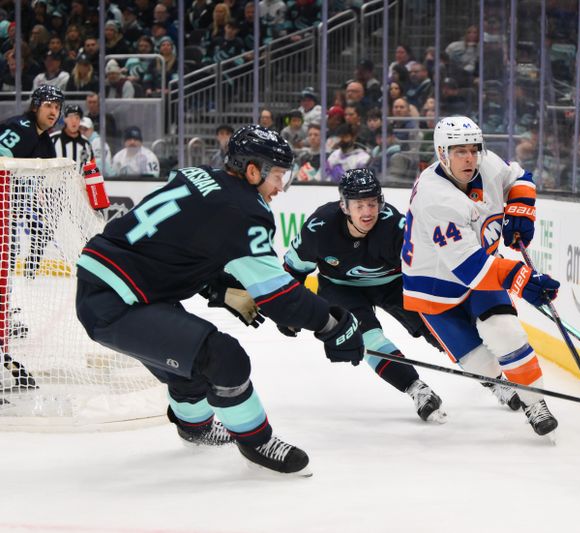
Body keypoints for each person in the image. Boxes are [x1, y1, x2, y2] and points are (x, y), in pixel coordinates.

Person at [74, 125, 364, 475]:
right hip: (119, 301)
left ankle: (194, 427)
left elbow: (182, 244)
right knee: (225, 359)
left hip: (120, 286)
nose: (279, 188)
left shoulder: (199, 177)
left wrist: (219, 289)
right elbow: (281, 298)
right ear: (252, 170)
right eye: (276, 176)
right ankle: (257, 442)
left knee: (187, 365)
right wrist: (333, 324)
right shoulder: (244, 211)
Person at [402, 116, 561, 437]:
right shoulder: (436, 197)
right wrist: (523, 279)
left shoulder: (486, 164)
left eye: (474, 149)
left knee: (506, 333)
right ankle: (498, 382)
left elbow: (520, 178)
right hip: (434, 287)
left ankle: (535, 403)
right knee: (481, 364)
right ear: (442, 153)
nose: (470, 158)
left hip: (479, 270)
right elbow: (470, 269)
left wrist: (520, 210)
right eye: (460, 151)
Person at [283, 169, 446, 422]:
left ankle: (495, 380)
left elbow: (427, 263)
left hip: (392, 283)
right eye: (359, 205)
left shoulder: (394, 225)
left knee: (438, 328)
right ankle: (417, 389)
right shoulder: (319, 227)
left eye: (372, 203)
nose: (367, 212)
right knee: (368, 338)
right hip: (340, 286)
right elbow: (294, 269)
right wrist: (287, 309)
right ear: (344, 206)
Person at [0, 85, 65, 391]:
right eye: (49, 105)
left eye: (57, 107)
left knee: (5, 269)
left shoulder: (45, 142)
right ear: (36, 105)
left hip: (6, 217)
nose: (53, 112)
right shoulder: (22, 127)